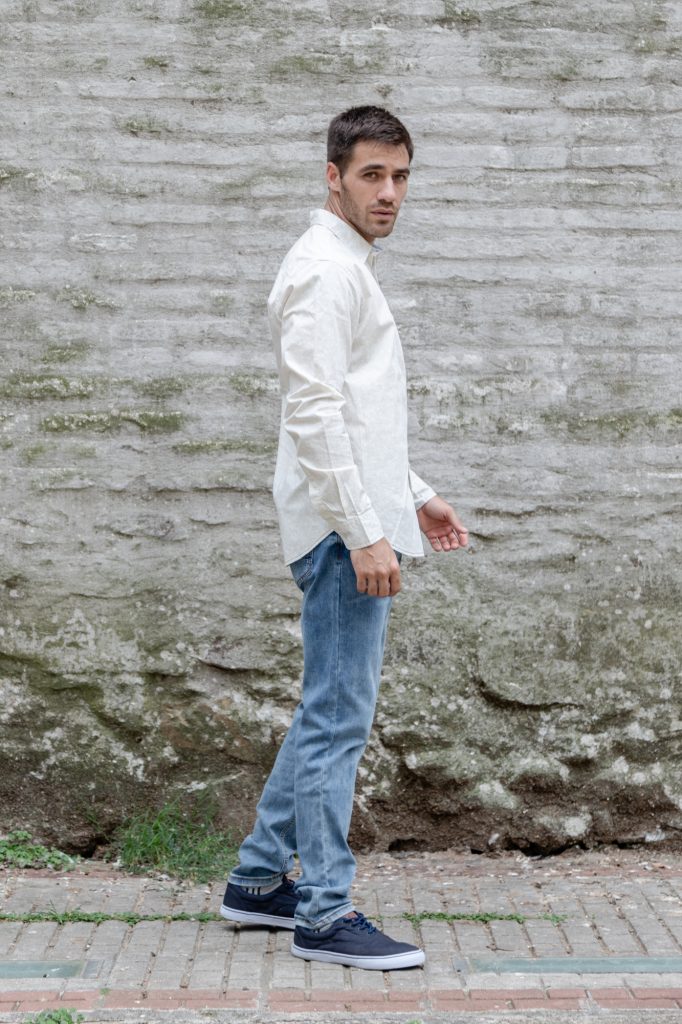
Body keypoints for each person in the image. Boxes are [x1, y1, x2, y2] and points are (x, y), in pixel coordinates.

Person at [221, 105, 468, 971]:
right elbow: (315, 415)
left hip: (352, 518)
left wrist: (416, 496)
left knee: (326, 708)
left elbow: (358, 418)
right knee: (338, 720)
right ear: (333, 177)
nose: (389, 192)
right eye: (372, 175)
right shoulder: (327, 272)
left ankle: (258, 881)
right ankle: (324, 913)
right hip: (339, 532)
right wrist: (365, 533)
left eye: (400, 176)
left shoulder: (346, 264)